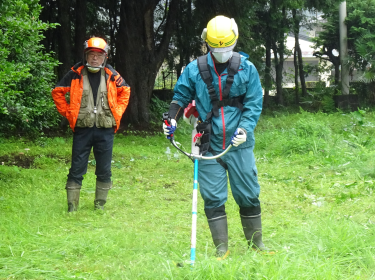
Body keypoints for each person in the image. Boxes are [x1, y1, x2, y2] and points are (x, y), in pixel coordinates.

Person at [163, 16, 270, 258]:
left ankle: (257, 244)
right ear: (207, 43)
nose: (222, 52)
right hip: (208, 144)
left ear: (235, 40)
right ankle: (221, 248)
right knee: (212, 196)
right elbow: (180, 98)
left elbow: (254, 103)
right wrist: (170, 118)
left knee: (248, 193)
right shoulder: (194, 69)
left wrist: (245, 129)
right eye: (216, 47)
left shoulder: (247, 68)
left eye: (226, 47)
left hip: (239, 144)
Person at [52, 37, 131, 212]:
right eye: (91, 55)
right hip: (82, 129)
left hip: (105, 130)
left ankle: (100, 205)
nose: (95, 58)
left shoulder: (112, 75)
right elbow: (57, 92)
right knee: (76, 168)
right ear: (85, 56)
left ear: (105, 57)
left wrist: (116, 112)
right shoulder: (75, 73)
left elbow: (125, 91)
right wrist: (69, 113)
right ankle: (72, 206)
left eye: (98, 55)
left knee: (104, 168)